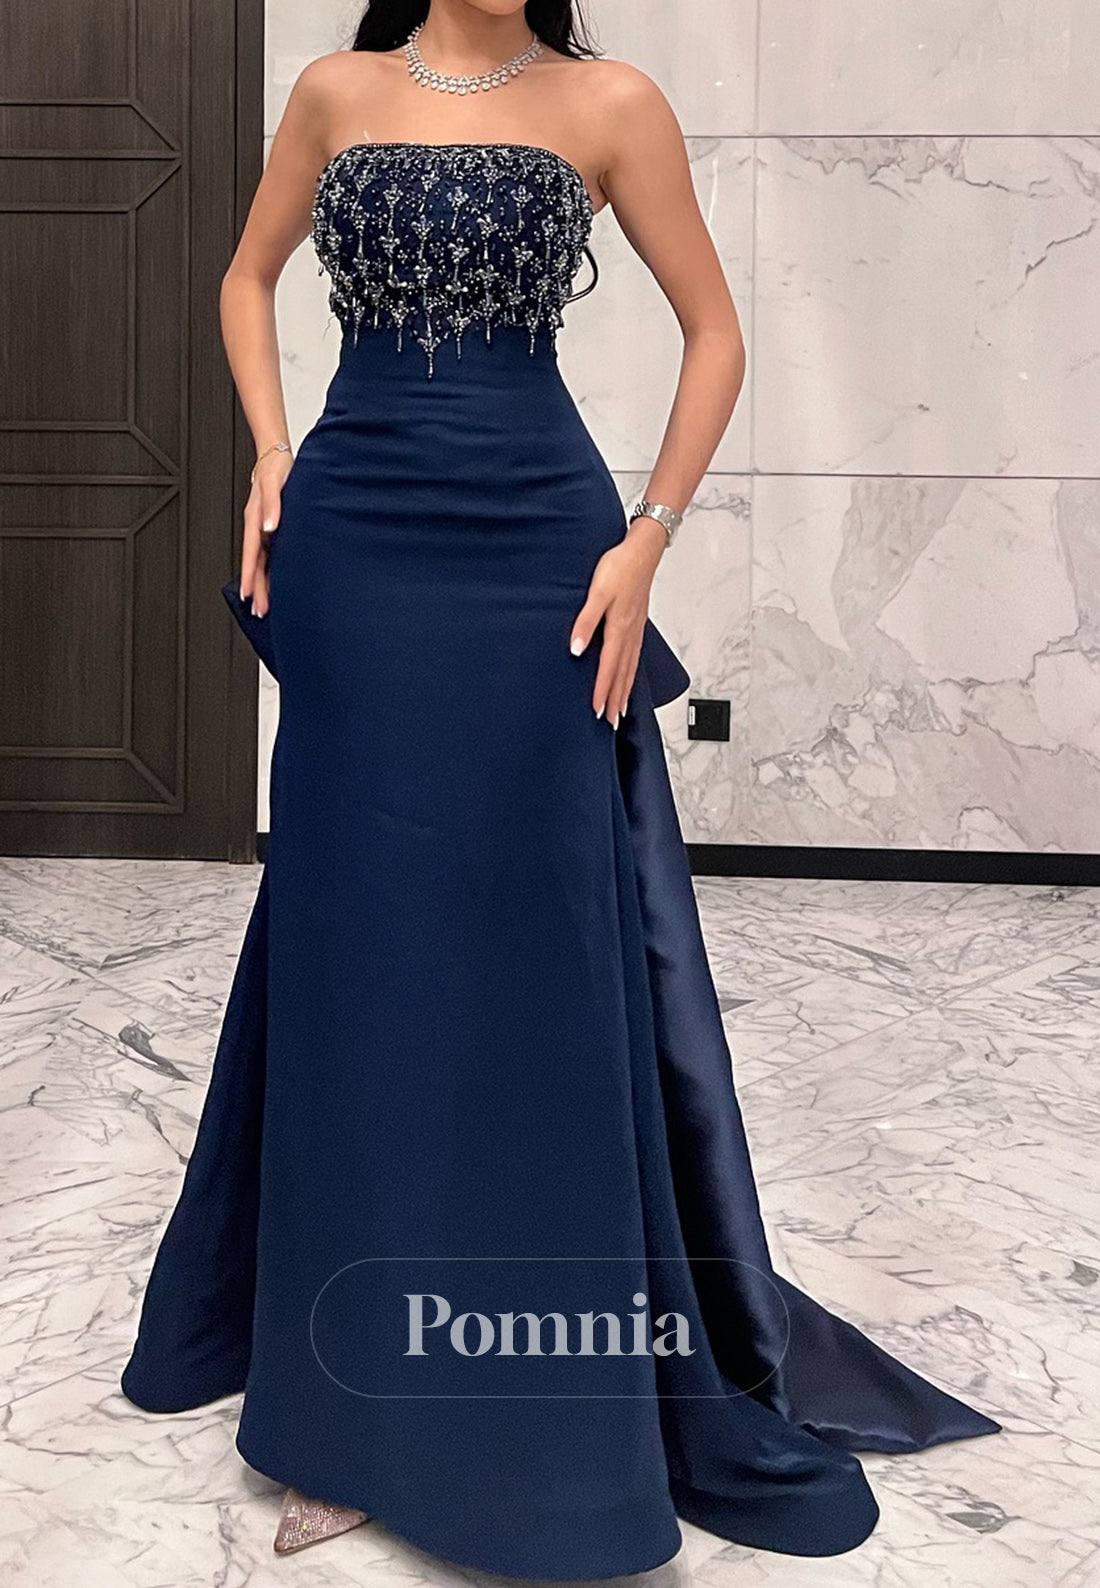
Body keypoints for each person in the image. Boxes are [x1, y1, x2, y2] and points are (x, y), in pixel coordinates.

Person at [120, 0, 1000, 1571]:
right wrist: (267, 451)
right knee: (361, 955)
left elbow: (717, 331)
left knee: (526, 961)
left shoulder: (611, 103)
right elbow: (246, 277)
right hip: (356, 542)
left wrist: (648, 535)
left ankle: (524, 1397)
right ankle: (348, 1402)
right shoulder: (335, 89)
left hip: (538, 545)